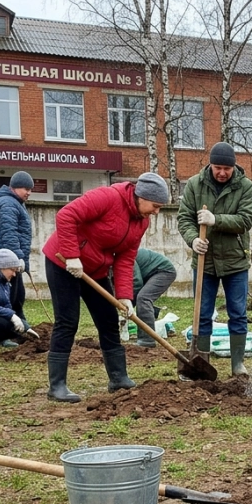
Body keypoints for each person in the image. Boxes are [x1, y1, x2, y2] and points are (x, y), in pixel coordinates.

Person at [41, 172, 169, 402]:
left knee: (108, 320)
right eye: (155, 205)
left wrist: (125, 296)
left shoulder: (141, 220)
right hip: (63, 263)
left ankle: (118, 378)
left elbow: (125, 258)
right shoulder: (107, 197)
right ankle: (57, 386)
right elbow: (66, 215)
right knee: (68, 321)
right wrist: (71, 256)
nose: (156, 212)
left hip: (95, 270)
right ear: (141, 196)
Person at [177, 141, 252, 377]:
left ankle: (237, 365)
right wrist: (193, 240)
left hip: (235, 262)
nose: (222, 173)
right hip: (205, 261)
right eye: (217, 168)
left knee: (238, 313)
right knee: (202, 314)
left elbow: (245, 220)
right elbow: (184, 219)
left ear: (234, 167)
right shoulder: (194, 184)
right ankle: (201, 362)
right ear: (210, 165)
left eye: (226, 169)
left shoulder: (245, 187)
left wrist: (216, 219)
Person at [0, 171, 34, 343]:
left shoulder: (16, 203)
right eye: (25, 188)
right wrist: (18, 259)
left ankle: (20, 330)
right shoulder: (7, 203)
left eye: (30, 189)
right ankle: (2, 336)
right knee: (7, 299)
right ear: (14, 187)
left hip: (11, 261)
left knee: (17, 297)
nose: (29, 192)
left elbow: (19, 234)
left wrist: (23, 262)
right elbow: (9, 234)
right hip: (3, 262)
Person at [131, 248, 178, 348]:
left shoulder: (122, 255)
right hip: (147, 273)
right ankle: (153, 313)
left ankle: (147, 341)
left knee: (143, 298)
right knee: (141, 299)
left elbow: (136, 282)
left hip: (163, 271)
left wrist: (128, 304)